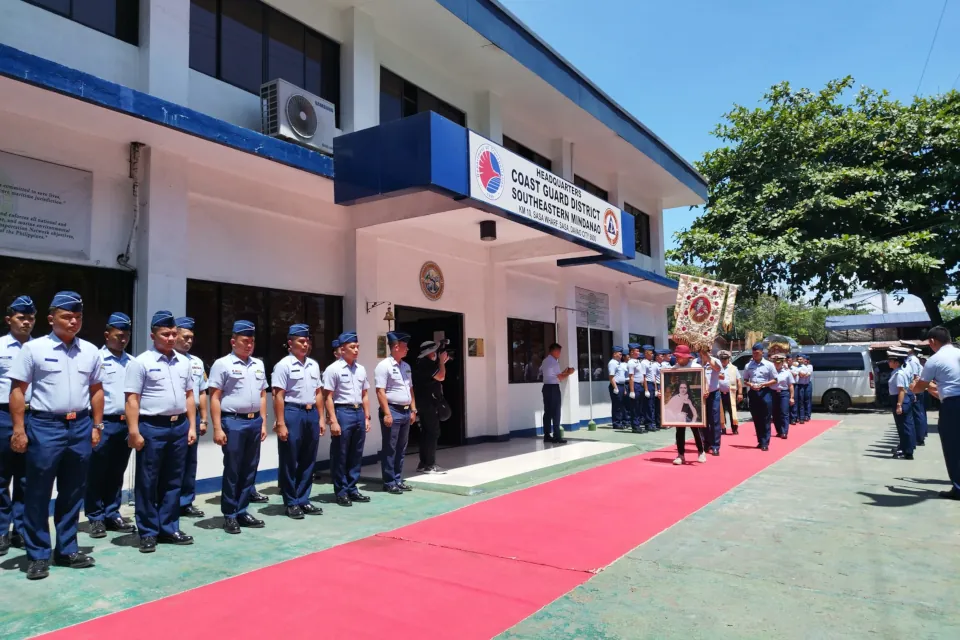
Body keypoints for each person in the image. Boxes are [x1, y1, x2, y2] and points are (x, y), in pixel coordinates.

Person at [8, 291, 104, 579]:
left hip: (80, 427)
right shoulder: (33, 349)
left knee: (73, 491)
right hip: (45, 426)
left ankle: (66, 549)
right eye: (67, 316)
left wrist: (97, 427)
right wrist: (18, 429)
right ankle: (38, 554)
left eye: (78, 316)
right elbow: (17, 390)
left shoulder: (90, 351)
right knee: (37, 491)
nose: (73, 321)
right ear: (51, 319)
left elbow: (97, 390)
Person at [125, 310, 198, 553]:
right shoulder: (141, 362)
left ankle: (169, 527)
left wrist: (191, 426)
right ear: (153, 335)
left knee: (173, 479)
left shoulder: (184, 362)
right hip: (151, 427)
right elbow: (132, 399)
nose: (170, 338)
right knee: (148, 481)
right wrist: (134, 431)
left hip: (178, 427)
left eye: (173, 334)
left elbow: (190, 396)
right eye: (165, 334)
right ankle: (147, 531)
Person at [208, 320, 268, 534]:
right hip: (233, 421)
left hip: (253, 422)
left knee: (249, 468)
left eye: (251, 341)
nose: (249, 345)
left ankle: (242, 510)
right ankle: (230, 514)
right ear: (233, 341)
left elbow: (262, 395)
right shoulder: (222, 364)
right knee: (233, 469)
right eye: (245, 341)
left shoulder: (258, 364)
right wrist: (217, 427)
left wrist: (262, 422)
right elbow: (214, 396)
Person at [85, 312, 137, 539]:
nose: (123, 339)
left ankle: (112, 512)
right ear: (107, 335)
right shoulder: (95, 359)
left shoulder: (133, 362)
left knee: (117, 471)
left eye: (126, 335)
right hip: (102, 423)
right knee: (96, 471)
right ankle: (95, 517)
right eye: (118, 335)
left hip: (125, 424)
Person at [271, 324, 324, 519]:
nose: (305, 344)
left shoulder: (314, 365)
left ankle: (303, 499)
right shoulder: (283, 365)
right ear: (290, 343)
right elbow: (278, 395)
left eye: (307, 341)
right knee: (289, 459)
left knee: (308, 458)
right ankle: (291, 501)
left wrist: (321, 418)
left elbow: (318, 392)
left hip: (310, 413)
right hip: (292, 412)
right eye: (301, 341)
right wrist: (281, 422)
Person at [0, 295, 35, 556]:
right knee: (2, 477)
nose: (26, 322)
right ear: (9, 319)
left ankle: (20, 530)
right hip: (2, 416)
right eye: (21, 317)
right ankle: (2, 531)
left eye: (30, 318)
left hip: (34, 416)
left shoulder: (41, 349)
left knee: (27, 477)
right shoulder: (0, 346)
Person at [911, 326, 960, 500]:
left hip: (953, 406)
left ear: (932, 341)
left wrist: (914, 386)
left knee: (953, 446)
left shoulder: (935, 360)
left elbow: (919, 388)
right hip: (951, 398)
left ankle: (958, 488)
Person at [324, 331, 371, 506]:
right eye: (352, 347)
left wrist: (367, 417)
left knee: (356, 453)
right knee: (340, 453)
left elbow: (364, 394)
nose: (356, 350)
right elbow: (328, 396)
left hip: (358, 412)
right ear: (342, 350)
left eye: (357, 347)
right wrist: (333, 420)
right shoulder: (333, 369)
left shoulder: (361, 369)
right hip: (342, 412)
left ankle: (352, 488)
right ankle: (341, 491)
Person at [173, 317, 208, 518]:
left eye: (191, 338)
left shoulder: (196, 362)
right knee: (172, 463)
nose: (188, 342)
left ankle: (186, 502)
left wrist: (203, 419)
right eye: (185, 337)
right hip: (174, 415)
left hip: (192, 417)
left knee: (189, 462)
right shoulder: (170, 359)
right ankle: (168, 502)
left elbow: (202, 392)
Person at [375, 332, 416, 494]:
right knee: (390, 448)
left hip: (406, 411)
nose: (407, 349)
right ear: (396, 347)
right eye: (405, 346)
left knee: (401, 447)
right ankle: (389, 481)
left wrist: (413, 409)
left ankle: (398, 479)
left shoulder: (406, 366)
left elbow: (410, 389)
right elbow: (380, 391)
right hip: (392, 409)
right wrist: (387, 413)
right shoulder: (384, 366)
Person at [414, 340, 449, 472]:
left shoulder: (422, 364)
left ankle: (424, 463)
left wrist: (441, 362)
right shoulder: (426, 364)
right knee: (432, 433)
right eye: (434, 352)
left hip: (423, 403)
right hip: (428, 404)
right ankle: (429, 464)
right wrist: (441, 361)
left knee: (426, 433)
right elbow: (441, 376)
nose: (436, 354)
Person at [669, 345, 706, 465]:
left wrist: (705, 391)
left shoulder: (696, 367)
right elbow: (667, 384)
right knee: (679, 431)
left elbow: (704, 382)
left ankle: (701, 452)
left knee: (695, 428)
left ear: (687, 357)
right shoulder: (674, 369)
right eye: (677, 357)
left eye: (680, 357)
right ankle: (680, 455)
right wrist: (662, 394)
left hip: (692, 403)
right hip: (679, 406)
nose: (678, 359)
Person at [743, 343, 778, 451]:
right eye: (753, 353)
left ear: (762, 352)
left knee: (766, 418)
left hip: (765, 392)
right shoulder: (748, 366)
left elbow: (775, 379)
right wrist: (751, 385)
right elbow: (745, 380)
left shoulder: (769, 365)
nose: (755, 355)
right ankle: (760, 440)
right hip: (753, 393)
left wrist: (763, 384)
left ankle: (765, 442)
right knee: (756, 418)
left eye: (757, 353)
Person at [539, 343, 574, 443]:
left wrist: (564, 372)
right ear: (553, 351)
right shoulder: (554, 362)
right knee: (556, 412)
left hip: (546, 387)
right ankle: (557, 436)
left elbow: (549, 374)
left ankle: (547, 435)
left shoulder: (545, 361)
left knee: (548, 412)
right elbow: (560, 377)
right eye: (558, 351)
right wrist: (569, 373)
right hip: (553, 388)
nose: (559, 353)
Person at [887, 351, 916, 460]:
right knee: (901, 426)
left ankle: (908, 452)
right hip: (898, 399)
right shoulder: (896, 372)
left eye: (891, 361)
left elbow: (901, 390)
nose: (888, 362)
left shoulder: (899, 374)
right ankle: (904, 448)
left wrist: (899, 404)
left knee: (905, 426)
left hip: (900, 400)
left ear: (897, 362)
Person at [903, 343, 928, 446]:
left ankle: (919, 437)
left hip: (915, 389)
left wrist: (913, 392)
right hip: (915, 388)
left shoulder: (912, 360)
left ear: (911, 349)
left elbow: (914, 377)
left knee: (917, 413)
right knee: (918, 412)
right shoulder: (910, 359)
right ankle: (920, 434)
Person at [701, 349, 722, 455]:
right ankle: (706, 443)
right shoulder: (696, 362)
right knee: (703, 421)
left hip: (713, 393)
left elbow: (717, 368)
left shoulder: (714, 361)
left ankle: (715, 446)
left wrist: (708, 359)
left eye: (707, 350)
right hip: (701, 396)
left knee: (714, 420)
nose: (705, 352)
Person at [717, 350, 742, 436]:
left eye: (725, 359)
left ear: (728, 359)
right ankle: (723, 428)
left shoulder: (734, 368)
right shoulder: (717, 368)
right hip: (719, 393)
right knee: (721, 411)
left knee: (732, 411)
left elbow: (738, 381)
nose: (723, 360)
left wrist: (740, 393)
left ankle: (734, 428)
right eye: (721, 359)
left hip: (730, 393)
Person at [771, 354, 795, 440]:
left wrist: (792, 397)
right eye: (775, 363)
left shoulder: (787, 372)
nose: (777, 364)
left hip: (784, 393)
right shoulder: (770, 372)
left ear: (782, 363)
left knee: (784, 413)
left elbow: (791, 385)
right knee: (775, 413)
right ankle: (779, 431)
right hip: (773, 393)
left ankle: (785, 432)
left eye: (779, 363)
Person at [607, 346, 627, 430]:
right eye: (619, 354)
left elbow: (622, 377)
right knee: (617, 405)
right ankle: (616, 423)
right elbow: (611, 377)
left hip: (621, 386)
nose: (621, 355)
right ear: (614, 354)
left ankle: (621, 421)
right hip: (616, 386)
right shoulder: (612, 363)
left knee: (621, 405)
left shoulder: (619, 363)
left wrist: (624, 389)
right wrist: (615, 388)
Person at [625, 344, 643, 433]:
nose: (638, 352)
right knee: (634, 407)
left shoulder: (637, 361)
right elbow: (631, 377)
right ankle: (635, 426)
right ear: (632, 352)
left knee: (639, 407)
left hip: (639, 385)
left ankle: (638, 424)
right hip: (634, 386)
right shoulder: (631, 362)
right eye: (637, 351)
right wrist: (632, 391)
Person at [642, 345, 660, 432]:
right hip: (648, 385)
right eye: (651, 353)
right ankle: (648, 424)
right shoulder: (643, 363)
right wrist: (646, 389)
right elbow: (644, 377)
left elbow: (654, 377)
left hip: (652, 384)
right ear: (646, 353)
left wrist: (656, 389)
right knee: (648, 406)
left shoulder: (651, 363)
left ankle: (652, 423)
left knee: (652, 406)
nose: (652, 355)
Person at [794, 354, 811, 424]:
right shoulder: (795, 367)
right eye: (798, 359)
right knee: (795, 402)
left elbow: (804, 375)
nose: (799, 360)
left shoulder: (805, 367)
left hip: (801, 385)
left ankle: (802, 417)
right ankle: (796, 417)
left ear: (803, 360)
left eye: (800, 359)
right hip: (795, 385)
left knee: (801, 401)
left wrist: (799, 373)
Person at [787, 355, 800, 425]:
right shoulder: (783, 368)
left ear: (792, 361)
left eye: (790, 360)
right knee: (787, 402)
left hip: (794, 386)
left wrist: (788, 370)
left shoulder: (795, 368)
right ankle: (788, 418)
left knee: (794, 402)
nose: (788, 362)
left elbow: (795, 375)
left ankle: (793, 418)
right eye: (787, 360)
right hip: (786, 386)